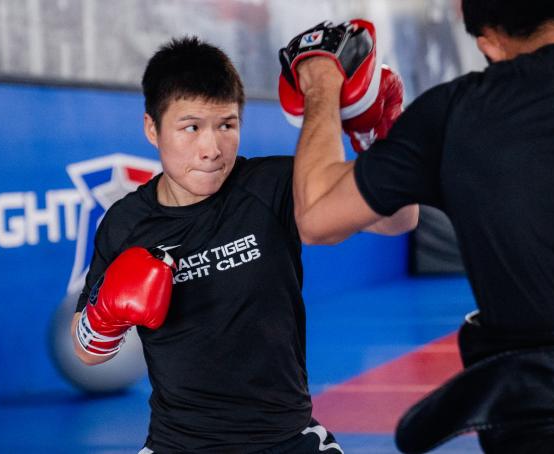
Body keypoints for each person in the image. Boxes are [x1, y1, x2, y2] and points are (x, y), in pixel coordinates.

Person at [70, 37, 417, 453]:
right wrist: (107, 312)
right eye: (191, 127)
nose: (212, 149)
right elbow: (86, 353)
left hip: (285, 440)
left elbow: (399, 219)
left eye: (227, 125)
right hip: (177, 444)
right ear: (152, 128)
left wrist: (379, 141)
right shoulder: (126, 223)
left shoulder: (271, 186)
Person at [287, 1, 554, 453]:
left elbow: (316, 217)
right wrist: (378, 138)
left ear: (489, 40)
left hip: (548, 430)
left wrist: (322, 84)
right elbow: (398, 217)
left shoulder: (459, 111)